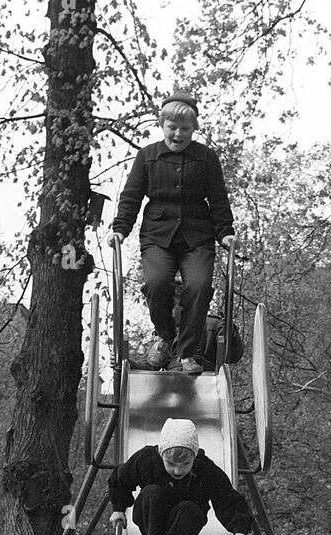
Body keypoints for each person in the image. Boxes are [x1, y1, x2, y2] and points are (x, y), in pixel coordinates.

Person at [107, 89, 235, 376]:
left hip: (196, 236)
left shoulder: (206, 158)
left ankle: (187, 353)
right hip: (157, 235)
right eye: (172, 127)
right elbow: (131, 196)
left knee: (199, 287)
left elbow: (217, 198)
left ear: (194, 128)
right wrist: (120, 229)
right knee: (157, 283)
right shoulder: (147, 156)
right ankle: (165, 338)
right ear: (162, 125)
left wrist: (225, 232)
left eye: (185, 128)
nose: (178, 134)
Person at [109, 416, 253, 535]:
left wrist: (239, 529)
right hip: (152, 518)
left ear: (194, 457)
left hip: (184, 523)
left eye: (185, 464)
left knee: (190, 508)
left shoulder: (204, 468)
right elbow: (121, 479)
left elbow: (226, 497)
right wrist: (119, 508)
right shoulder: (147, 459)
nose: (177, 471)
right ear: (161, 453)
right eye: (170, 464)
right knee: (151, 493)